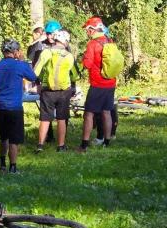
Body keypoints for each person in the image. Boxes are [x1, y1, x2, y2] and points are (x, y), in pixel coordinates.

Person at [0, 39, 36, 174]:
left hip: (1, 107)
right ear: (16, 52)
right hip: (15, 107)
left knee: (4, 136)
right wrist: (23, 61)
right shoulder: (20, 65)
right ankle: (13, 167)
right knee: (14, 139)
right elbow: (32, 77)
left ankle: (2, 164)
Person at [34, 30, 79, 153]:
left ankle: (40, 146)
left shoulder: (46, 52)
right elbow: (75, 75)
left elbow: (36, 71)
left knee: (45, 119)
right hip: (64, 91)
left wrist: (38, 84)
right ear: (65, 42)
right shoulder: (69, 56)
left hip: (47, 90)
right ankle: (61, 146)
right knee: (61, 118)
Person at [77, 16, 117, 153]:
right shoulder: (109, 40)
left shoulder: (92, 44)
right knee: (106, 112)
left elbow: (87, 64)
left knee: (89, 114)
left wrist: (83, 59)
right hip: (110, 82)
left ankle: (84, 145)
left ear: (92, 30)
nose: (86, 32)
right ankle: (107, 142)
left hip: (97, 84)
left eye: (87, 30)